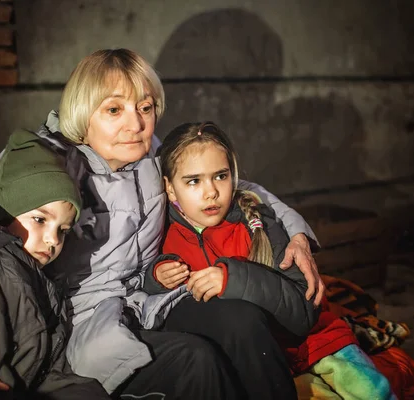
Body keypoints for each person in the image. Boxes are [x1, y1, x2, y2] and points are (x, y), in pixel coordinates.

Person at [0, 49, 323, 400]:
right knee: (197, 359)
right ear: (83, 110)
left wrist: (296, 231)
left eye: (145, 107)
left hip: (148, 299)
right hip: (76, 325)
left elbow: (227, 181)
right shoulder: (43, 164)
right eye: (114, 110)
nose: (135, 124)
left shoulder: (150, 154)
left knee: (242, 321)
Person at [147, 121, 395, 400]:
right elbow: (141, 289)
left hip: (310, 343)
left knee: (370, 390)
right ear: (169, 188)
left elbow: (304, 310)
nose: (211, 192)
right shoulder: (160, 231)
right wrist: (158, 276)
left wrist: (234, 278)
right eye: (193, 181)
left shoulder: (257, 224)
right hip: (248, 359)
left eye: (220, 176)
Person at [0, 130, 109, 400]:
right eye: (40, 220)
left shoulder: (33, 274)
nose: (53, 240)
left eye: (63, 230)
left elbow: (48, 370)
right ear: (4, 212)